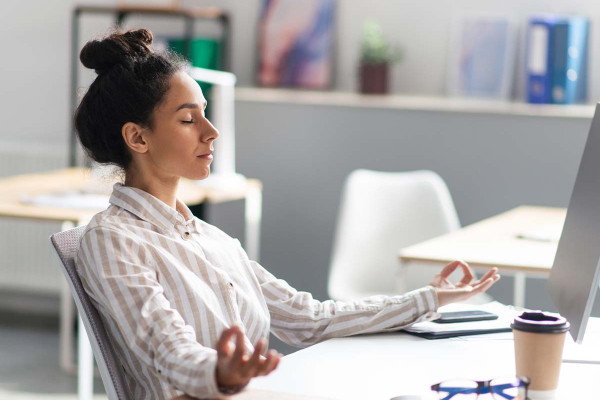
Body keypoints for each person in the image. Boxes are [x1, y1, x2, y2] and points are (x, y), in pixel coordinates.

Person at [74, 28, 500, 400]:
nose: (212, 130)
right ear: (137, 137)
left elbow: (308, 319)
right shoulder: (112, 239)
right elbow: (165, 350)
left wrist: (427, 299)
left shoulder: (208, 238)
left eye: (206, 112)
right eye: (189, 119)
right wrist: (219, 372)